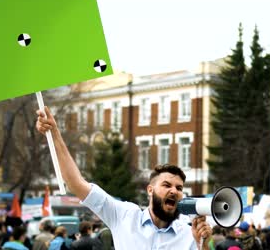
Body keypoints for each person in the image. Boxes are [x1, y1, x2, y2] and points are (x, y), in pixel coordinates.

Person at [36, 106, 212, 250]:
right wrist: (55, 134)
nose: (174, 191)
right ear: (150, 190)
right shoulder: (124, 216)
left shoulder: (189, 235)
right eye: (167, 185)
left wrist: (202, 245)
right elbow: (76, 183)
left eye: (179, 188)